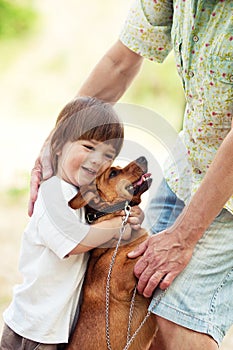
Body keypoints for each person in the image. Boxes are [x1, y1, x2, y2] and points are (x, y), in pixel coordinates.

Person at [28, 1, 233, 349]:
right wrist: (58, 141)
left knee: (176, 320)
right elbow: (119, 62)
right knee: (145, 307)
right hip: (189, 164)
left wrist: (184, 237)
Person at [0, 96, 144, 350]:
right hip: (33, 329)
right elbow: (77, 241)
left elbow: (108, 229)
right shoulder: (52, 192)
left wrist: (131, 215)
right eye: (89, 147)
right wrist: (121, 223)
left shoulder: (86, 197)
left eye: (107, 154)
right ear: (57, 146)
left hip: (55, 330)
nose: (98, 160)